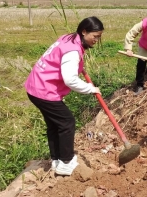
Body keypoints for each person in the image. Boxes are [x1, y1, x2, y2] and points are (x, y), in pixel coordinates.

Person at [25, 17, 104, 176]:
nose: (97, 40)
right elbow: (70, 80)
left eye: (99, 36)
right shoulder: (72, 51)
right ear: (84, 32)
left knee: (55, 125)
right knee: (67, 122)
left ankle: (57, 160)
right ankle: (66, 162)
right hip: (44, 90)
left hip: (36, 85)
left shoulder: (69, 38)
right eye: (95, 36)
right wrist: (90, 88)